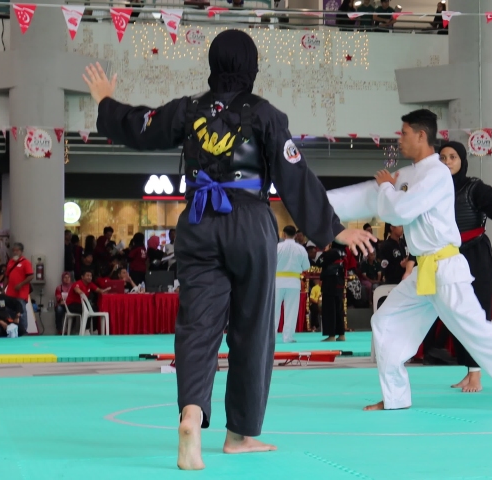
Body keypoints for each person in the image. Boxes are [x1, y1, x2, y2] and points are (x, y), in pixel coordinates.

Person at [83, 30, 374, 470]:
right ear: (252, 67)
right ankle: (239, 435)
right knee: (252, 331)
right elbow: (295, 176)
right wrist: (332, 231)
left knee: (197, 328)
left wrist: (106, 101)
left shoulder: (187, 110)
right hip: (250, 223)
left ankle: (191, 416)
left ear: (213, 65)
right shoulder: (267, 116)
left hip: (198, 222)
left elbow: (141, 126)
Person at [326, 109, 492, 414]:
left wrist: (388, 187)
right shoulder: (408, 175)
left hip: (444, 269)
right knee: (385, 322)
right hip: (425, 273)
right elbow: (365, 197)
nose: (399, 139)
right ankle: (396, 398)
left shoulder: (437, 173)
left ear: (421, 135)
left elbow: (398, 212)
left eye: (403, 133)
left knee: (477, 333)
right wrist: (314, 204)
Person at [436, 141, 492, 392]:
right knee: (456, 315)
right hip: (449, 256)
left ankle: (477, 374)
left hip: (476, 255)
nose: (447, 162)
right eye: (443, 157)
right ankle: (469, 371)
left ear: (462, 161)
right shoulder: (434, 190)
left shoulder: (475, 187)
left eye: (452, 157)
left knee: (477, 314)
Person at [274, 226, 310, 344]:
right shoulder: (300, 249)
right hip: (293, 282)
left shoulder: (277, 247)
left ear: (283, 234)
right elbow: (306, 267)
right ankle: (287, 337)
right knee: (291, 310)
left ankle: (271, 337)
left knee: (274, 310)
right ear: (295, 235)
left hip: (277, 282)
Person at [4, 242, 34, 336]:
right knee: (9, 310)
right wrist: (3, 288)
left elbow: (31, 276)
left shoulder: (26, 262)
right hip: (10, 292)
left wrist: (21, 284)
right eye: (14, 250)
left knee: (21, 311)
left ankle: (24, 330)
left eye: (17, 250)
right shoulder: (10, 262)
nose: (15, 252)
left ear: (21, 251)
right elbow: (6, 277)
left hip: (21, 293)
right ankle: (12, 329)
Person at [318, 243, 346, 342]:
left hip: (330, 283)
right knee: (338, 309)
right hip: (339, 283)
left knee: (330, 310)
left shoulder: (330, 253)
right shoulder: (341, 252)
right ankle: (341, 334)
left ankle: (331, 335)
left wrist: (324, 252)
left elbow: (319, 262)